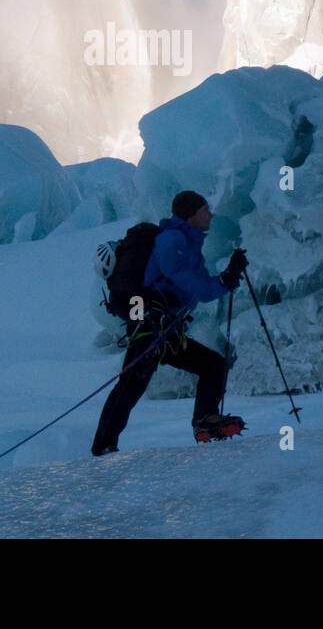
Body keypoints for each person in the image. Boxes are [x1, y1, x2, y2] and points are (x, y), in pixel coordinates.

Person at [91, 190, 248, 455]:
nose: (210, 214)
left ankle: (205, 421)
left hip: (167, 328)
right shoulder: (172, 239)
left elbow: (202, 290)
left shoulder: (189, 243)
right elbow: (181, 277)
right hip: (151, 324)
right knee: (132, 384)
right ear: (191, 214)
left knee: (213, 366)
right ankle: (102, 446)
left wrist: (228, 276)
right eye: (205, 210)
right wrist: (222, 280)